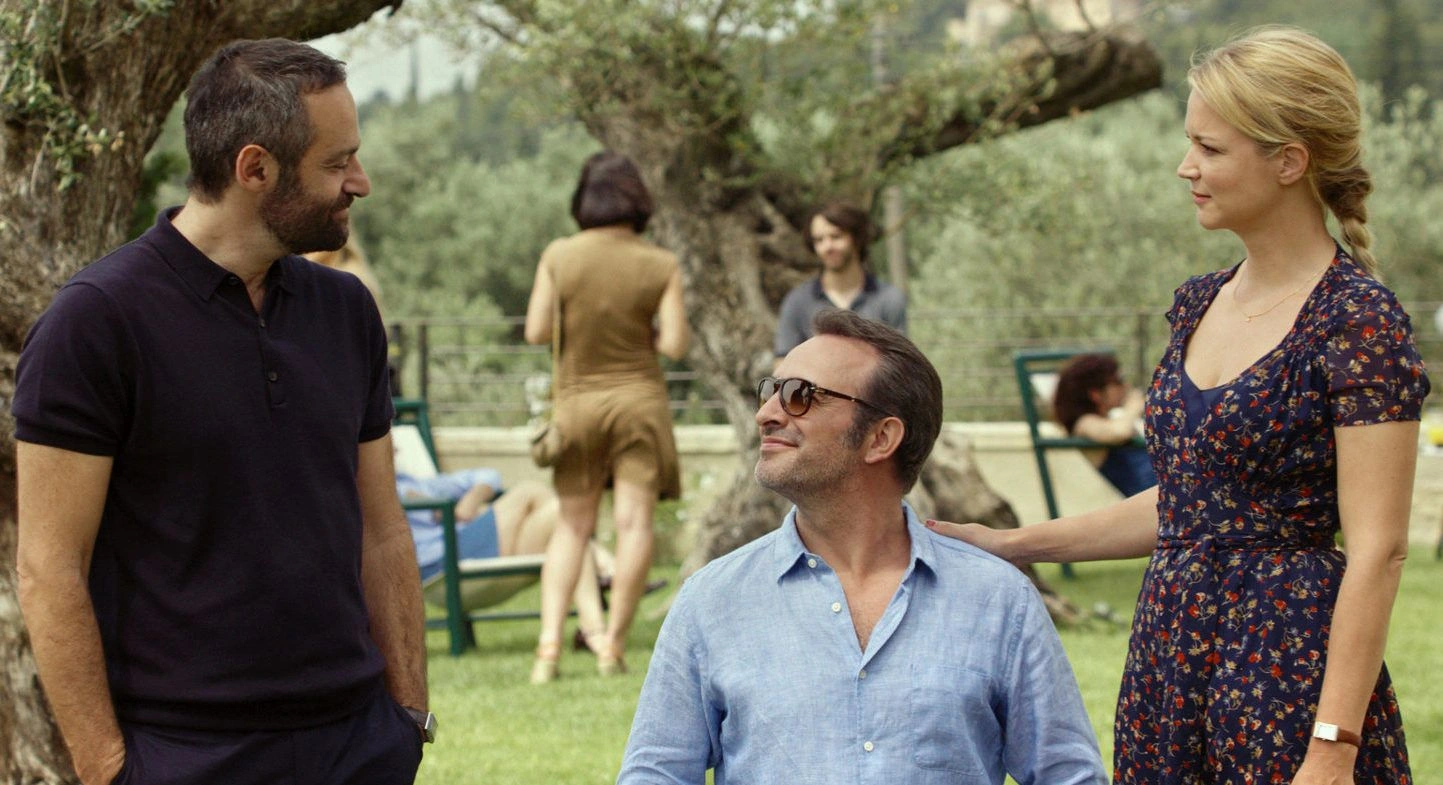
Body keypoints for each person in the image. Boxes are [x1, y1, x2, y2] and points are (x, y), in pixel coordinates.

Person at [929, 26, 1426, 784]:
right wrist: (1011, 544)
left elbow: (1379, 549)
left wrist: (1332, 744)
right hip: (1170, 663)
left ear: (1289, 161)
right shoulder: (1198, 304)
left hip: (1288, 674)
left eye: (1208, 147)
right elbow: (1189, 506)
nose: (1184, 166)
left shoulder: (1357, 321)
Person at [13, 39, 430, 785]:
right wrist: (110, 770)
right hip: (185, 754)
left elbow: (382, 526)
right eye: (337, 163)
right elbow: (48, 569)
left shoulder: (347, 311)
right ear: (254, 168)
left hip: (358, 746)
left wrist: (408, 718)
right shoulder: (96, 322)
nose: (359, 183)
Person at [618, 310, 1106, 784]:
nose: (765, 414)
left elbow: (1069, 775)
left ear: (880, 438)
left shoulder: (998, 600)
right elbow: (655, 775)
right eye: (769, 392)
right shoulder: (711, 600)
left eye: (799, 395)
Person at [523, 150, 690, 682]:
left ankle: (548, 650)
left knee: (573, 526)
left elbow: (536, 331)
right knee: (633, 524)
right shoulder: (660, 263)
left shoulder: (559, 255)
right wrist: (642, 329)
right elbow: (676, 344)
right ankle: (612, 646)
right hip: (639, 403)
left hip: (576, 405)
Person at [398, 470, 607, 644]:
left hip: (468, 543)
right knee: (529, 490)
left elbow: (489, 475)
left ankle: (592, 633)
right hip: (442, 562)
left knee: (558, 514)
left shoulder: (414, 481)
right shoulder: (382, 488)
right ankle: (606, 567)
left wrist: (471, 499)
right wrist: (431, 504)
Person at [773, 201, 907, 358]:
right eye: (819, 240)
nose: (827, 246)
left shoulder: (889, 299)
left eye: (836, 237)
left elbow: (902, 365)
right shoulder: (798, 302)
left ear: (856, 239)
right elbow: (782, 362)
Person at [1052, 353, 1156, 497]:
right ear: (1095, 394)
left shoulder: (1111, 420)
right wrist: (1133, 406)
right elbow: (1119, 433)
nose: (1125, 386)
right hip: (1152, 499)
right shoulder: (1084, 423)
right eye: (1118, 381)